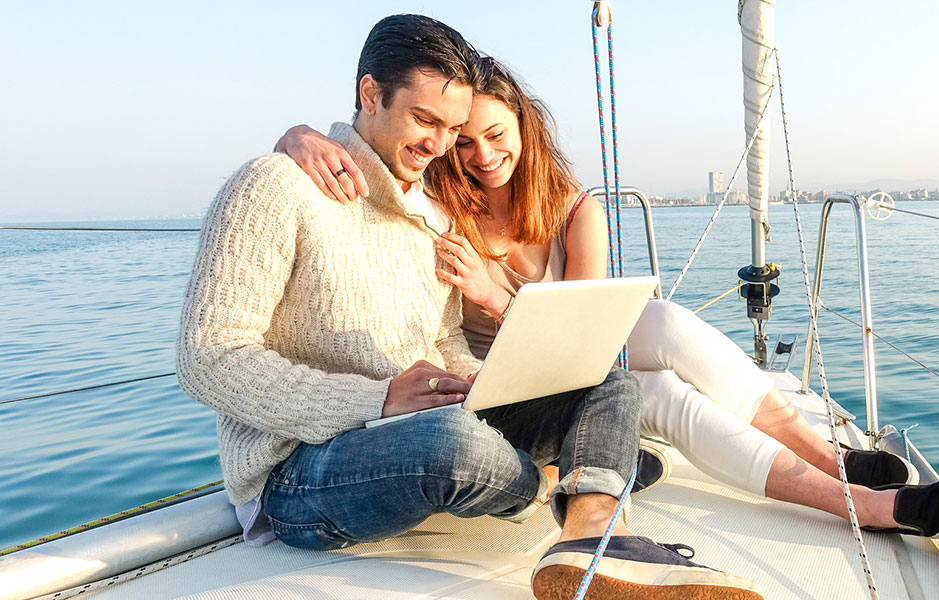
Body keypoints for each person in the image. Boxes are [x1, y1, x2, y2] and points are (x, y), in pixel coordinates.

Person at [177, 15, 763, 600]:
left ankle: (592, 534)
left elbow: (445, 338)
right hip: (302, 468)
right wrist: (376, 399)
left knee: (603, 385)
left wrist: (486, 387)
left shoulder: (431, 212)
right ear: (371, 94)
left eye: (450, 128)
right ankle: (583, 475)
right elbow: (208, 358)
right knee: (454, 446)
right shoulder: (275, 186)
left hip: (425, 421)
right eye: (424, 119)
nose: (438, 146)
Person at [277, 56, 939, 539]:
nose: (480, 156)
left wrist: (500, 290)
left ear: (526, 124)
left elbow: (584, 336)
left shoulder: (572, 209)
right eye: (462, 142)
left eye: (495, 135)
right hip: (501, 384)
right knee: (663, 396)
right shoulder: (437, 199)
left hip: (569, 369)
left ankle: (829, 458)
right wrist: (297, 135)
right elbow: (371, 158)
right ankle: (861, 503)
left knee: (667, 326)